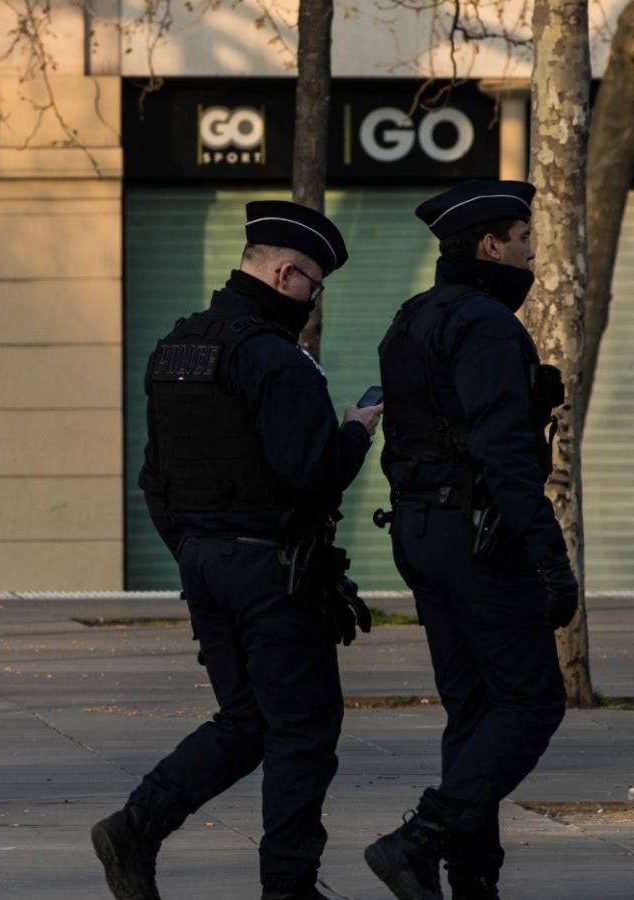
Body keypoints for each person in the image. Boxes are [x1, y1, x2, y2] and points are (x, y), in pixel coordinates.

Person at [93, 201, 383, 900]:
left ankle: (138, 824)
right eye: (313, 287)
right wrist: (356, 430)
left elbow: (153, 476)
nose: (311, 303)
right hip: (269, 570)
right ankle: (288, 886)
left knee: (249, 719)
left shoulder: (176, 348)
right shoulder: (276, 361)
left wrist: (195, 550)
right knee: (304, 729)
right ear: (288, 275)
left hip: (205, 563)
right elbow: (310, 472)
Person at [364, 181, 572, 900]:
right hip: (479, 540)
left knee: (475, 711)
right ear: (490, 245)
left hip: (424, 533)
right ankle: (420, 838)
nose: (532, 255)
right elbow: (505, 453)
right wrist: (550, 553)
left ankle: (469, 880)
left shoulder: (412, 318)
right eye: (523, 241)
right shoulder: (485, 324)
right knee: (533, 703)